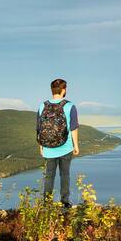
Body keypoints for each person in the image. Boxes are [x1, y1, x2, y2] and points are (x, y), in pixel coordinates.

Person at [37, 78, 80, 207]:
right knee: (65, 175)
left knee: (49, 176)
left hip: (48, 147)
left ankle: (47, 203)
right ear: (64, 90)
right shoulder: (69, 106)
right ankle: (65, 202)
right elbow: (73, 127)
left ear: (52, 90)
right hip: (65, 147)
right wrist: (76, 146)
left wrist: (41, 146)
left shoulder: (42, 106)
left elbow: (39, 128)